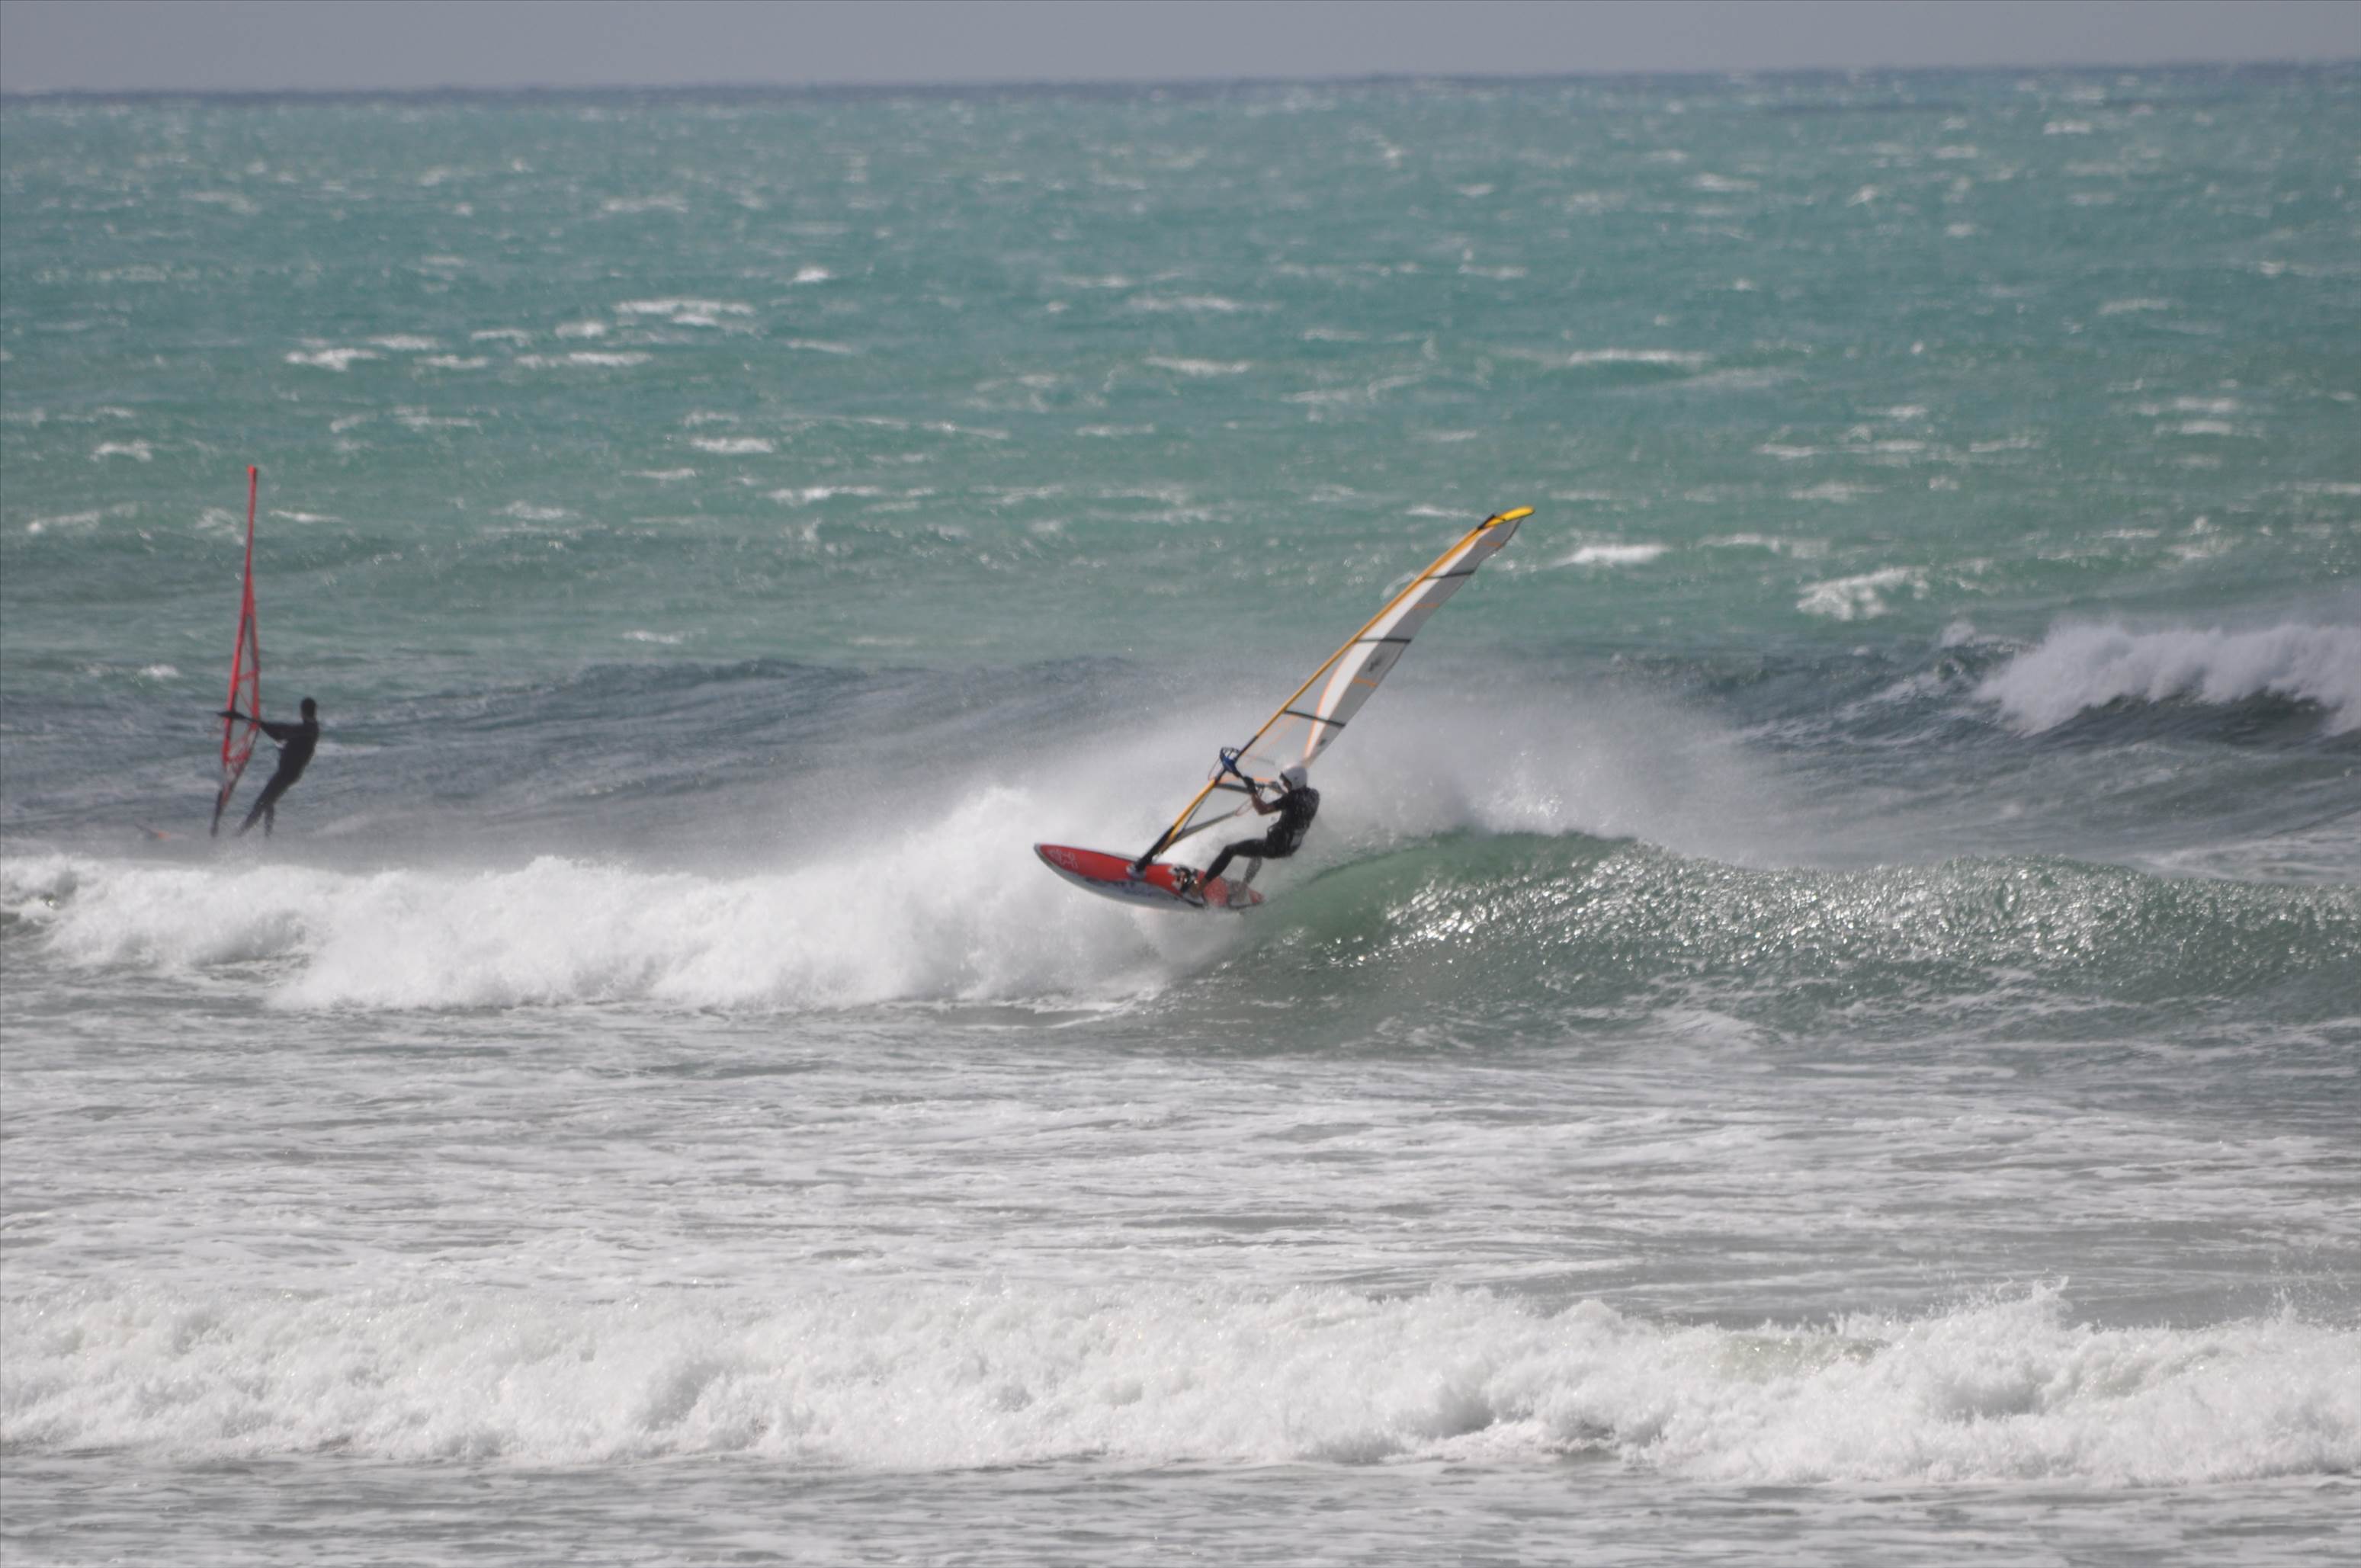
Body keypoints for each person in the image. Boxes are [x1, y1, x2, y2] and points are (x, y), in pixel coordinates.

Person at [1183, 764, 1319, 903]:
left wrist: (1252, 790)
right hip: (1291, 847)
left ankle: (1198, 888)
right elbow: (1296, 802)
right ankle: (1242, 889)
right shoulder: (1313, 795)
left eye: (1287, 782)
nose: (1284, 783)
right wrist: (1281, 792)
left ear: (1296, 781)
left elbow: (1262, 809)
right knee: (1258, 851)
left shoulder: (1291, 799)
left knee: (1230, 850)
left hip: (1277, 847)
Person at [217, 697, 319, 837]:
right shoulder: (308, 728)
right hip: (288, 773)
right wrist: (248, 720)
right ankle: (267, 836)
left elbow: (283, 730)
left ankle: (237, 836)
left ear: (302, 711)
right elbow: (278, 734)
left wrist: (248, 719)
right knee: (268, 802)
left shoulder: (309, 729)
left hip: (287, 774)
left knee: (260, 805)